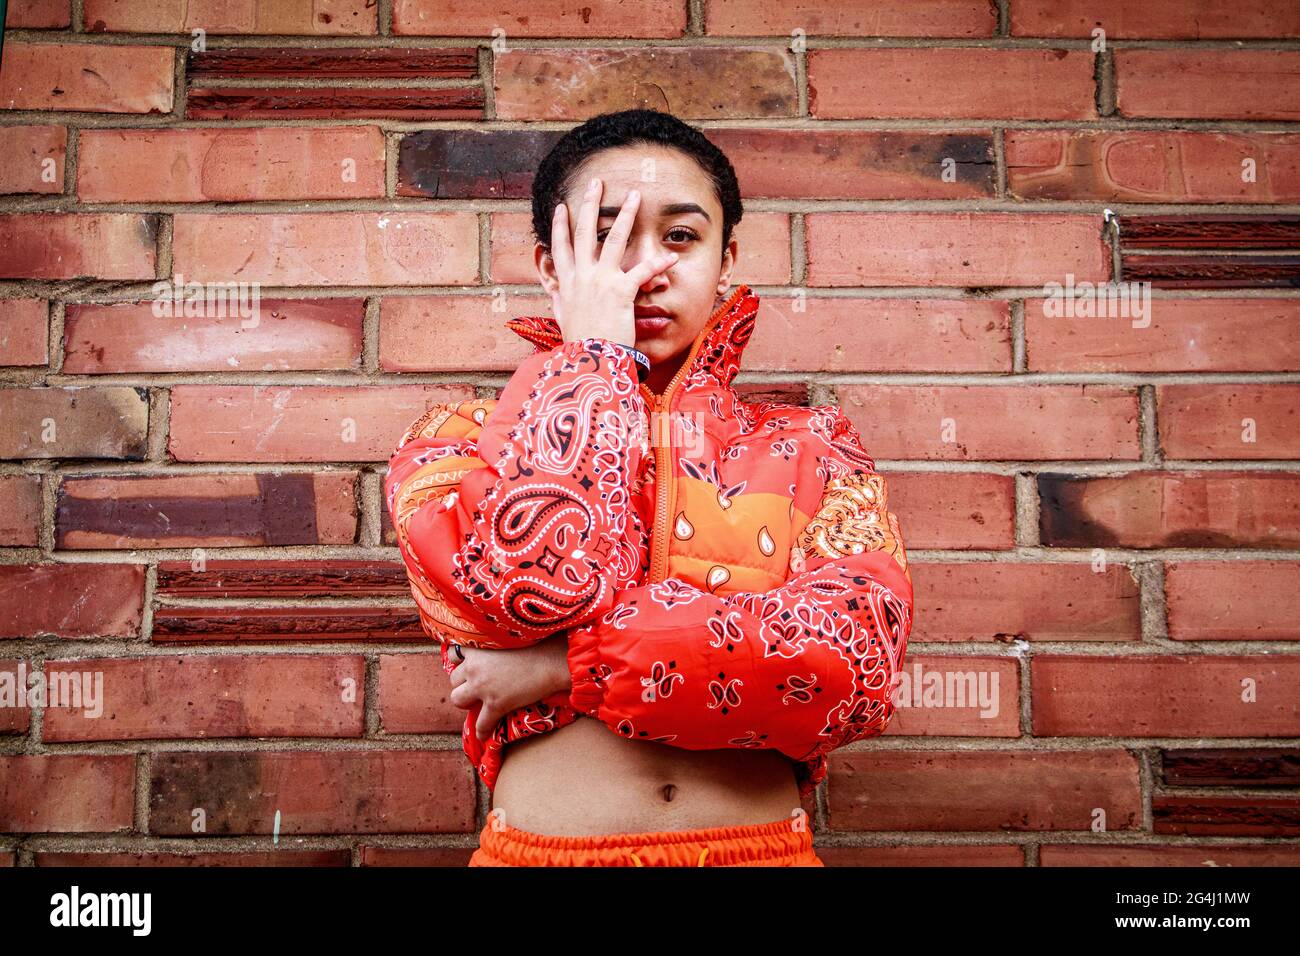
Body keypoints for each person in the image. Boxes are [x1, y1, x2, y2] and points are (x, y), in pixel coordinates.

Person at [384, 108, 913, 867]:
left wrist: (567, 667)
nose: (645, 270)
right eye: (606, 239)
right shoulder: (452, 443)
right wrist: (595, 357)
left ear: (725, 261)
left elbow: (849, 668)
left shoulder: (812, 446)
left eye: (680, 237)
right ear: (549, 267)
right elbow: (532, 586)